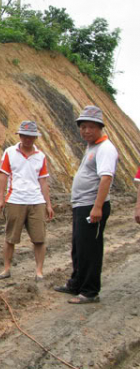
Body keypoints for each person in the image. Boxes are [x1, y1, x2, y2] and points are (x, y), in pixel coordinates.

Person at [54, 106, 118, 304]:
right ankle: (76, 283)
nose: (86, 131)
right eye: (83, 127)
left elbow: (106, 178)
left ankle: (90, 291)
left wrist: (97, 207)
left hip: (92, 205)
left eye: (91, 127)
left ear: (100, 127)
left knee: (90, 249)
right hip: (82, 205)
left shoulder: (105, 148)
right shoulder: (92, 147)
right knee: (79, 247)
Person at [0, 121, 55, 281]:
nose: (27, 139)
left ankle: (39, 271)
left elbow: (43, 181)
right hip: (15, 199)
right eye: (24, 136)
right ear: (20, 136)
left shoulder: (40, 156)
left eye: (31, 136)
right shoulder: (10, 152)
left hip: (36, 201)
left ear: (35, 137)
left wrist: (48, 204)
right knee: (10, 237)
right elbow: (3, 176)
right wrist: (0, 199)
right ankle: (6, 269)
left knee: (39, 238)